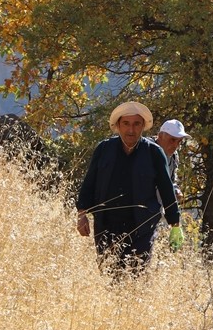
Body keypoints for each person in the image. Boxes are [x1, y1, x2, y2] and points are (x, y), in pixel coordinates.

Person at [76, 101, 182, 271]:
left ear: (143, 127)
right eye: (126, 123)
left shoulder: (154, 153)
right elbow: (89, 183)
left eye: (136, 124)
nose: (131, 130)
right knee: (108, 274)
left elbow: (166, 189)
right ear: (118, 125)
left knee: (135, 275)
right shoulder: (103, 149)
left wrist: (175, 224)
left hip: (142, 227)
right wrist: (82, 215)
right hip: (106, 225)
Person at [154, 119, 188, 203]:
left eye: (179, 141)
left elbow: (171, 181)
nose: (175, 145)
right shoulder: (146, 151)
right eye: (172, 140)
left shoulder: (174, 156)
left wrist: (176, 190)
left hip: (160, 209)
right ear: (160, 136)